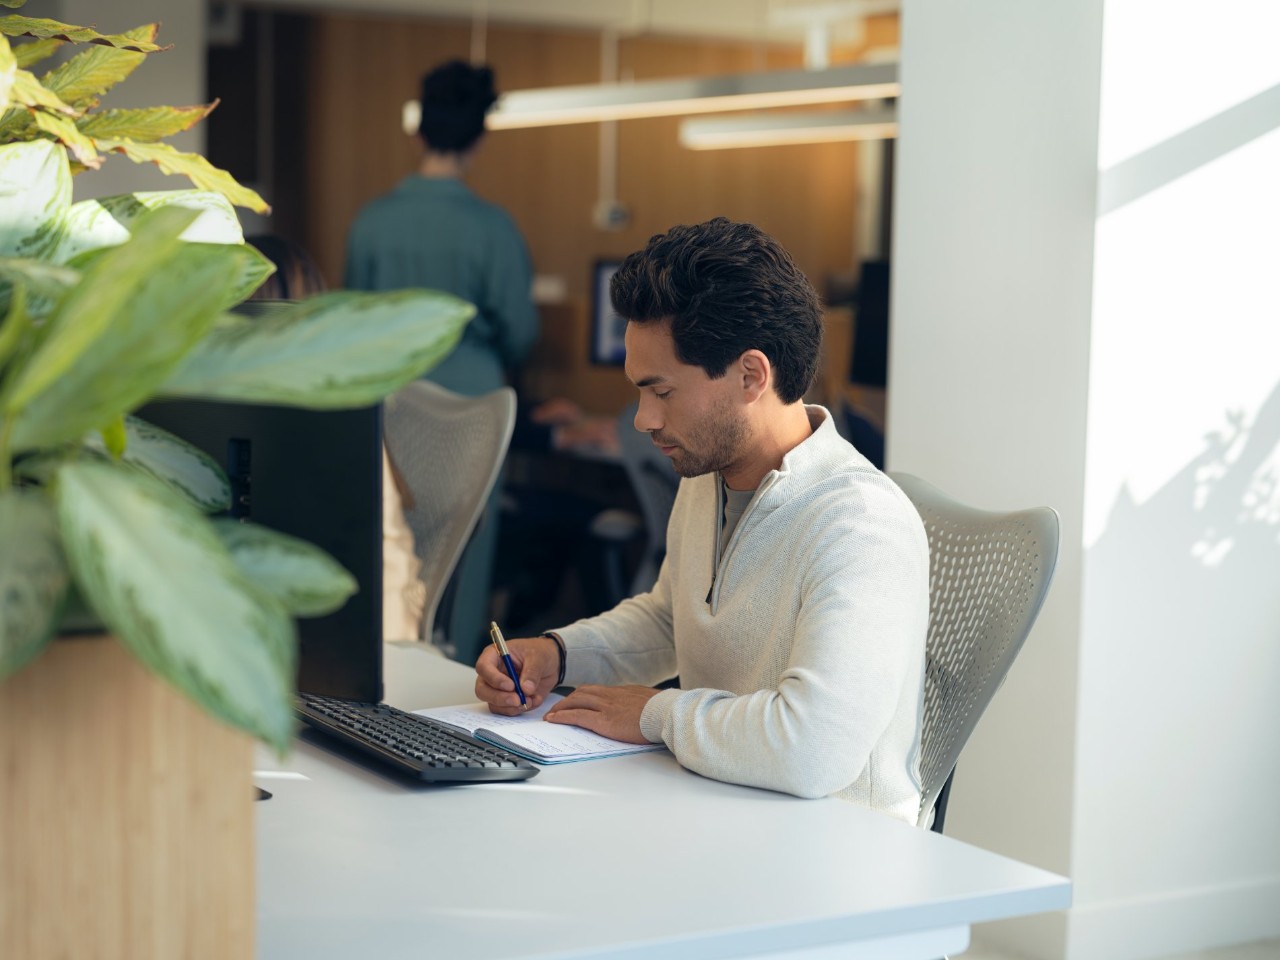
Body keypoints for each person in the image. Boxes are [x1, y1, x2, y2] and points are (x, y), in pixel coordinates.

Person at [473, 218, 931, 822]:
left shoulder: (860, 525)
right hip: (719, 806)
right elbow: (672, 620)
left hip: (834, 849)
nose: (642, 419)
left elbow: (813, 748)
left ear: (751, 376)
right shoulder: (708, 477)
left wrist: (654, 714)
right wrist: (559, 654)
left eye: (660, 392)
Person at [345, 60, 539, 661]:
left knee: (387, 542)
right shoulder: (494, 228)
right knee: (463, 557)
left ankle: (379, 660)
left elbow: (347, 327)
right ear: (479, 137)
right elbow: (521, 333)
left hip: (387, 404)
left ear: (418, 130)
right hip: (473, 410)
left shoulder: (372, 223)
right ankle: (455, 674)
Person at [246, 233, 426, 645]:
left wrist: (390, 659)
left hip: (360, 634)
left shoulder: (338, 407)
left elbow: (387, 554)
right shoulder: (218, 406)